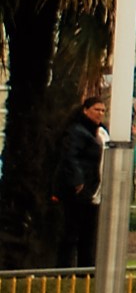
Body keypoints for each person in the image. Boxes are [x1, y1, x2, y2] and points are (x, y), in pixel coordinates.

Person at [51, 96, 107, 267]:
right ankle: (64, 270)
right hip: (79, 191)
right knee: (72, 232)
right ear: (85, 110)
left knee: (87, 234)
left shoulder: (99, 132)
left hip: (92, 190)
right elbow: (70, 157)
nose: (100, 114)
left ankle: (86, 271)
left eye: (103, 110)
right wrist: (78, 182)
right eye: (97, 109)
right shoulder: (77, 131)